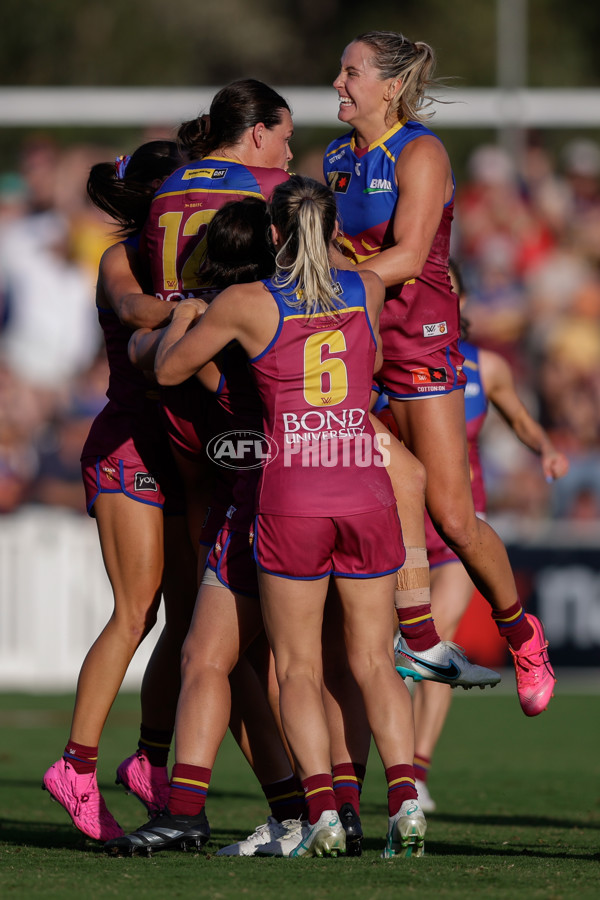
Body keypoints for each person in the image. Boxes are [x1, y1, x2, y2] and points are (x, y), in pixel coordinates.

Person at [106, 175, 427, 860]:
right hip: (363, 486)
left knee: (280, 666)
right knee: (371, 661)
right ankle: (401, 802)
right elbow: (374, 336)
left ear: (276, 233)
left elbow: (165, 369)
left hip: (287, 495)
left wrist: (184, 315)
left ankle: (310, 814)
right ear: (330, 229)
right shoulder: (366, 288)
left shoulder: (244, 304)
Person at [324, 30, 556, 716]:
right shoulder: (335, 156)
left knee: (453, 517)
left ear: (391, 86)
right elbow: (330, 246)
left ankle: (522, 634)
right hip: (358, 346)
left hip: (420, 348)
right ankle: (418, 639)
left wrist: (324, 283)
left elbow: (406, 256)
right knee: (380, 489)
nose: (338, 83)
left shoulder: (420, 152)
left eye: (351, 72)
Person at [42, 141, 200, 841]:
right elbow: (136, 310)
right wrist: (207, 310)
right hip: (129, 445)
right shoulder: (123, 255)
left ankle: (150, 759)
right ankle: (75, 765)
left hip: (182, 450)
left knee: (189, 621)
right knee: (135, 611)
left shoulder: (196, 258)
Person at [386, 261, 570, 811]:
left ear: (457, 301)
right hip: (401, 522)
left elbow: (520, 420)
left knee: (436, 639)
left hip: (460, 524)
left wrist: (546, 449)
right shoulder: (386, 357)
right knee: (389, 649)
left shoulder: (486, 367)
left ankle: (417, 770)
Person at [140, 78, 293, 565]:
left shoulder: (166, 188)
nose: (290, 154)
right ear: (258, 134)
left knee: (203, 502)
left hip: (176, 373)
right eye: (286, 138)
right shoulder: (270, 185)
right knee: (267, 502)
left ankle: (212, 594)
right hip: (238, 377)